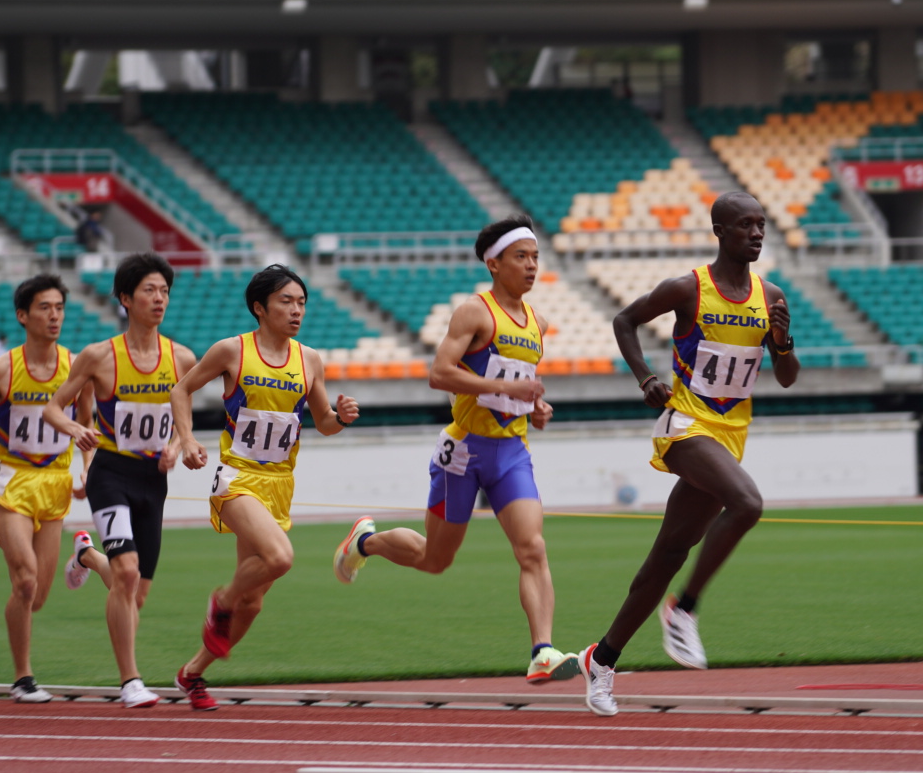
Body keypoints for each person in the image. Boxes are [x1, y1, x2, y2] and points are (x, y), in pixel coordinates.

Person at [330, 216, 579, 684]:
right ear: (493, 263)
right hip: (463, 453)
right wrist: (500, 384)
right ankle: (364, 542)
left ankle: (542, 650)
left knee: (533, 548)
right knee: (435, 561)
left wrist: (536, 407)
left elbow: (520, 389)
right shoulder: (474, 313)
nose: (531, 266)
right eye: (521, 257)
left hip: (511, 452)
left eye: (535, 257)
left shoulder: (538, 324)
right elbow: (439, 373)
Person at [578, 192, 797, 717]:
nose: (757, 233)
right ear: (719, 231)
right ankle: (686, 608)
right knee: (747, 503)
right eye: (745, 225)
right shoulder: (688, 289)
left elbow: (787, 378)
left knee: (666, 556)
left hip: (728, 434)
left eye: (762, 225)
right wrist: (645, 377)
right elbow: (624, 322)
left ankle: (601, 659)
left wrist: (784, 344)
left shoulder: (771, 297)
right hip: (685, 426)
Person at [164, 265, 361, 711]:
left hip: (279, 485)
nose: (297, 310)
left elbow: (324, 424)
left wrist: (342, 417)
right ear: (260, 307)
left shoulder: (309, 360)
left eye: (302, 302)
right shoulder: (231, 351)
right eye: (287, 301)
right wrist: (189, 440)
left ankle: (192, 673)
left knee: (253, 604)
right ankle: (221, 600)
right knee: (280, 558)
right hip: (236, 478)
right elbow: (181, 391)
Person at [42, 253, 198, 708]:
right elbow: (54, 406)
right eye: (149, 290)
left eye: (165, 291)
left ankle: (88, 556)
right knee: (127, 574)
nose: (159, 299)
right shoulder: (99, 357)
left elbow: (181, 419)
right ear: (125, 298)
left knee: (136, 592)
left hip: (153, 480)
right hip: (110, 473)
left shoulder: (182, 358)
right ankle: (131, 681)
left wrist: (175, 444)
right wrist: (74, 429)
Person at [0, 274, 94, 704]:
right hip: (13, 480)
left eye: (60, 308)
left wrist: (87, 469)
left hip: (56, 483)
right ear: (23, 315)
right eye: (45, 308)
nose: (54, 316)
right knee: (26, 582)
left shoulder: (77, 366)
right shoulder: (0, 369)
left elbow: (88, 428)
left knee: (38, 598)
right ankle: (23, 678)